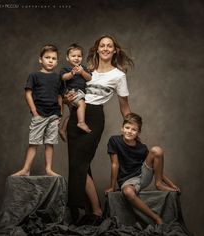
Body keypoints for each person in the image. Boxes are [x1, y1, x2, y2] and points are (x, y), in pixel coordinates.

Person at [65, 35, 134, 225]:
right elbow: (73, 96)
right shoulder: (87, 70)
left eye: (109, 46)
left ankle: (94, 210)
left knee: (80, 163)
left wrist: (132, 128)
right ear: (97, 49)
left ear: (114, 50)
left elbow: (124, 106)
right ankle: (90, 211)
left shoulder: (119, 75)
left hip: (94, 118)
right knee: (78, 165)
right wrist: (66, 102)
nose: (105, 48)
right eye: (101, 45)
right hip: (76, 117)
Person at [105, 112, 180, 225]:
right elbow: (115, 164)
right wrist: (112, 186)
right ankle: (156, 218)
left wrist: (171, 184)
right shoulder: (114, 141)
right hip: (127, 180)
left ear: (138, 132)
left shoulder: (142, 148)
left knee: (156, 150)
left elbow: (156, 168)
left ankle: (158, 184)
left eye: (134, 129)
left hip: (143, 175)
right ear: (122, 128)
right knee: (128, 192)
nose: (129, 131)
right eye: (127, 127)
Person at [12, 45, 63, 176]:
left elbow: (59, 96)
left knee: (49, 143)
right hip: (39, 114)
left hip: (53, 115)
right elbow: (28, 94)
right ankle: (26, 169)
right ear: (40, 60)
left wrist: (59, 114)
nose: (50, 60)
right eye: (47, 58)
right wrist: (34, 111)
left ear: (57, 61)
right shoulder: (34, 75)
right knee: (34, 143)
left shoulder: (58, 78)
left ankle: (49, 169)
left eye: (53, 58)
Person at [59, 43, 92, 142]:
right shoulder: (66, 69)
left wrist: (82, 72)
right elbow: (63, 77)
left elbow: (89, 78)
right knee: (82, 103)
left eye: (79, 56)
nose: (76, 58)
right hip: (72, 92)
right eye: (73, 56)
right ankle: (81, 122)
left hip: (81, 92)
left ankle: (62, 129)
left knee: (73, 114)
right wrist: (72, 73)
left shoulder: (84, 68)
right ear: (67, 58)